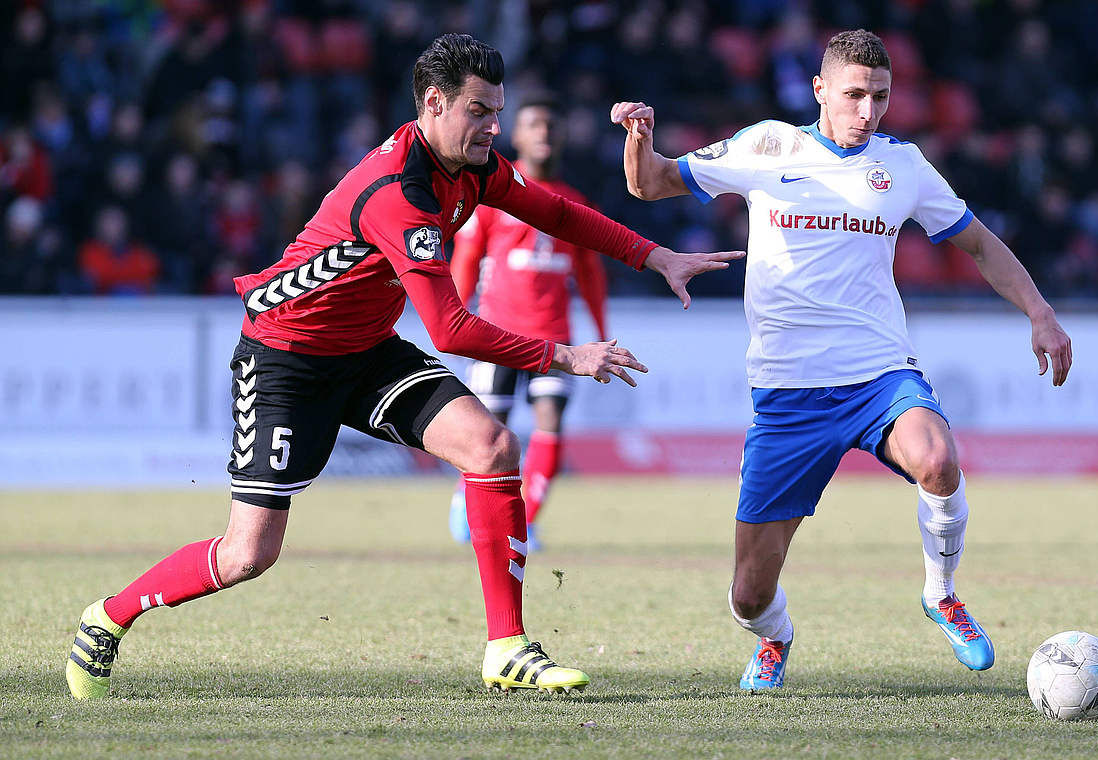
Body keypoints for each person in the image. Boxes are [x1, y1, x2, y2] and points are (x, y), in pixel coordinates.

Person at [65, 33, 740, 700]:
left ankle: (506, 647)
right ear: (435, 102)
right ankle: (109, 617)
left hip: (363, 351)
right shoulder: (398, 190)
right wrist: (564, 355)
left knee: (491, 444)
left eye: (498, 111)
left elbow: (557, 211)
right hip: (285, 361)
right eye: (481, 111)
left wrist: (655, 256)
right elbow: (449, 327)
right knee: (249, 555)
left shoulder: (472, 166)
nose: (494, 126)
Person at [611, 29, 1072, 691]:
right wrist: (639, 136)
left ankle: (940, 593)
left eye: (880, 97)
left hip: (878, 374)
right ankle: (777, 637)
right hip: (787, 394)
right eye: (855, 94)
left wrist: (1040, 311)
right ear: (820, 89)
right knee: (747, 595)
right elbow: (650, 183)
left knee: (938, 459)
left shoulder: (904, 166)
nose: (868, 111)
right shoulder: (767, 146)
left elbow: (979, 244)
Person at [447, 92, 607, 551]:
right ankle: (468, 498)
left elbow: (590, 273)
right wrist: (454, 318)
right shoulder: (493, 196)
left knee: (550, 420)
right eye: (534, 124)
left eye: (550, 126)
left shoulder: (573, 201)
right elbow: (466, 258)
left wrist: (599, 326)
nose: (543, 133)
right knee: (488, 432)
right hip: (497, 333)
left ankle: (525, 521)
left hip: (555, 337)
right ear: (515, 134)